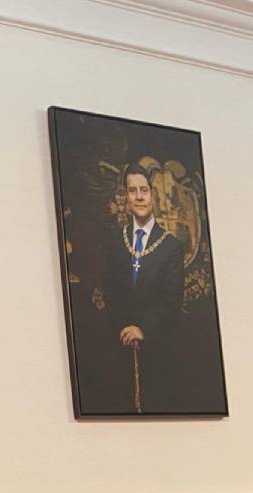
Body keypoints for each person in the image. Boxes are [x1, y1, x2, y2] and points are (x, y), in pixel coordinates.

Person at [93, 162, 184, 413]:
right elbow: (110, 288)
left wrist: (142, 328)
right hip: (119, 348)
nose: (139, 197)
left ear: (152, 195)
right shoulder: (115, 240)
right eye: (133, 191)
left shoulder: (170, 246)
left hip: (157, 351)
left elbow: (172, 299)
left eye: (144, 190)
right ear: (126, 196)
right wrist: (123, 327)